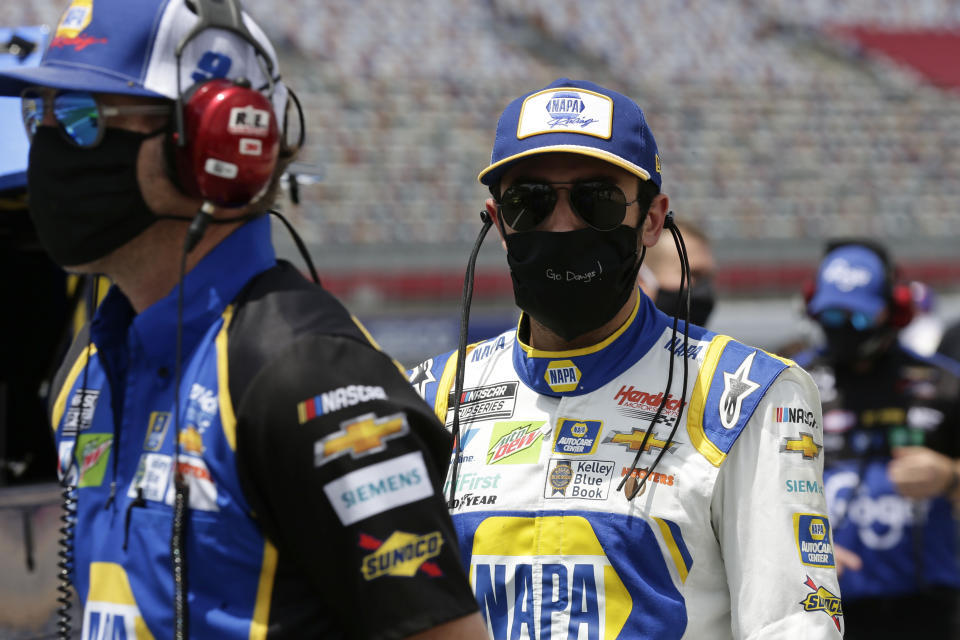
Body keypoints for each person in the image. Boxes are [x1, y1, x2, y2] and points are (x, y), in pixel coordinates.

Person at [0, 1, 488, 638]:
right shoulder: (87, 364)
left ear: (217, 141)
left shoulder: (307, 375)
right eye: (39, 115)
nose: (53, 151)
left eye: (85, 120)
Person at [409, 78, 842, 638]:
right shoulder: (430, 393)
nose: (562, 224)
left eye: (598, 199)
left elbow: (792, 626)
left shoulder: (747, 394)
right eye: (529, 202)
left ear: (654, 219)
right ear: (498, 221)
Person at [794, 240, 960, 640]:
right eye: (831, 315)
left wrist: (951, 475)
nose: (844, 328)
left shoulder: (944, 385)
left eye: (859, 318)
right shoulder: (788, 385)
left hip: (930, 608)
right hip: (822, 604)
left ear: (896, 307)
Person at [640, 218, 717, 326]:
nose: (705, 287)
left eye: (708, 277)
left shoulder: (712, 342)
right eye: (694, 274)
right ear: (641, 280)